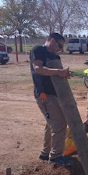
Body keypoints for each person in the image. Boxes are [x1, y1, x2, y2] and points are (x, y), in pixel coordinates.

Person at [30, 33, 72, 166]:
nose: (60, 49)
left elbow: (55, 74)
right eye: (59, 46)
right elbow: (37, 69)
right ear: (52, 41)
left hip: (55, 95)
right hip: (44, 95)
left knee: (51, 124)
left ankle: (45, 153)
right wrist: (58, 72)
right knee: (59, 125)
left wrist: (63, 75)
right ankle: (55, 157)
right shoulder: (38, 50)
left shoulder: (55, 56)